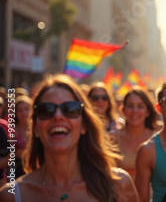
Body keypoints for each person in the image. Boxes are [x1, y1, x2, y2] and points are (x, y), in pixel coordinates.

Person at [0, 74, 138, 201]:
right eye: (47, 110)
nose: (58, 116)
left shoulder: (119, 185)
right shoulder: (11, 196)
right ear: (35, 128)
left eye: (70, 109)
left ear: (84, 125)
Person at [112, 86, 158, 179]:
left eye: (140, 106)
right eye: (130, 106)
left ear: (147, 112)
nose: (135, 111)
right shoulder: (112, 138)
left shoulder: (158, 138)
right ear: (123, 110)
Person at [12, 95, 32, 179]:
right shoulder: (11, 129)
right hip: (16, 170)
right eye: (20, 110)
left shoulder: (39, 128)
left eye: (26, 109)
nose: (23, 113)